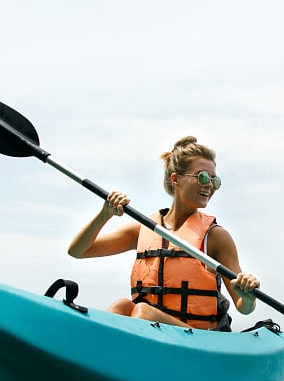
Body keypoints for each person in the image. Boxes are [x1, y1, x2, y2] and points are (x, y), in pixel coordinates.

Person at [68, 136, 260, 331]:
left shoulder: (216, 236)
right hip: (150, 331)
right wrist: (105, 214)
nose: (209, 185)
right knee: (122, 306)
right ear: (176, 179)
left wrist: (247, 297)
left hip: (199, 339)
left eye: (215, 180)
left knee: (143, 311)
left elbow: (244, 307)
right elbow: (78, 251)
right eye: (202, 177)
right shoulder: (144, 229)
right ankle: (85, 346)